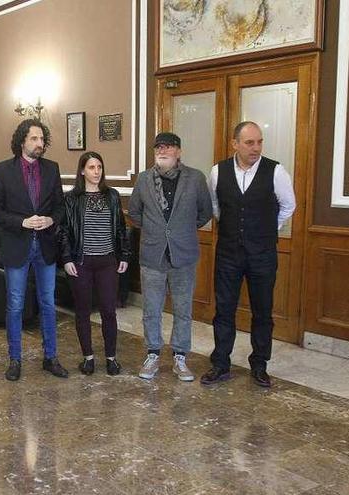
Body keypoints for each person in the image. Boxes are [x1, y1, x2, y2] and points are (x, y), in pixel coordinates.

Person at [200, 121, 296, 388]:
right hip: (228, 252)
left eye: (259, 142)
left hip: (262, 254)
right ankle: (220, 363)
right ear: (235, 144)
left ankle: (260, 365)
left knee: (262, 311)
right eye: (249, 143)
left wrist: (266, 229)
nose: (256, 148)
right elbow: (215, 205)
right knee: (224, 310)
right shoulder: (218, 171)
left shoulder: (275, 171)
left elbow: (289, 206)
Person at [0, 118, 68, 381]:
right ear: (22, 140)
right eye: (34, 139)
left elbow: (61, 207)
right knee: (15, 305)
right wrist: (21, 222)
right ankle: (15, 359)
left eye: (42, 139)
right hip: (17, 245)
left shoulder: (52, 170)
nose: (39, 144)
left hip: (45, 247)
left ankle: (50, 357)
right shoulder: (2, 170)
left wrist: (51, 219)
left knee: (48, 303)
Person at [129, 132, 212, 382]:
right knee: (151, 310)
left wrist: (180, 230)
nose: (162, 151)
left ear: (179, 151)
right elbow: (134, 212)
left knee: (183, 310)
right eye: (158, 147)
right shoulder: (144, 180)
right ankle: (153, 353)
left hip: (183, 255)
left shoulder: (195, 178)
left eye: (168, 147)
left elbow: (204, 212)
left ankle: (180, 357)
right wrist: (157, 231)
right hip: (152, 255)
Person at [60, 151, 130, 375]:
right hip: (81, 262)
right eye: (91, 167)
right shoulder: (71, 199)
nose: (96, 172)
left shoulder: (112, 195)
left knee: (109, 310)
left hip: (107, 262)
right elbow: (64, 233)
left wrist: (125, 255)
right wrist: (67, 259)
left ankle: (111, 358)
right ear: (82, 171)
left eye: (99, 167)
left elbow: (120, 228)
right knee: (82, 311)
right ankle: (88, 358)